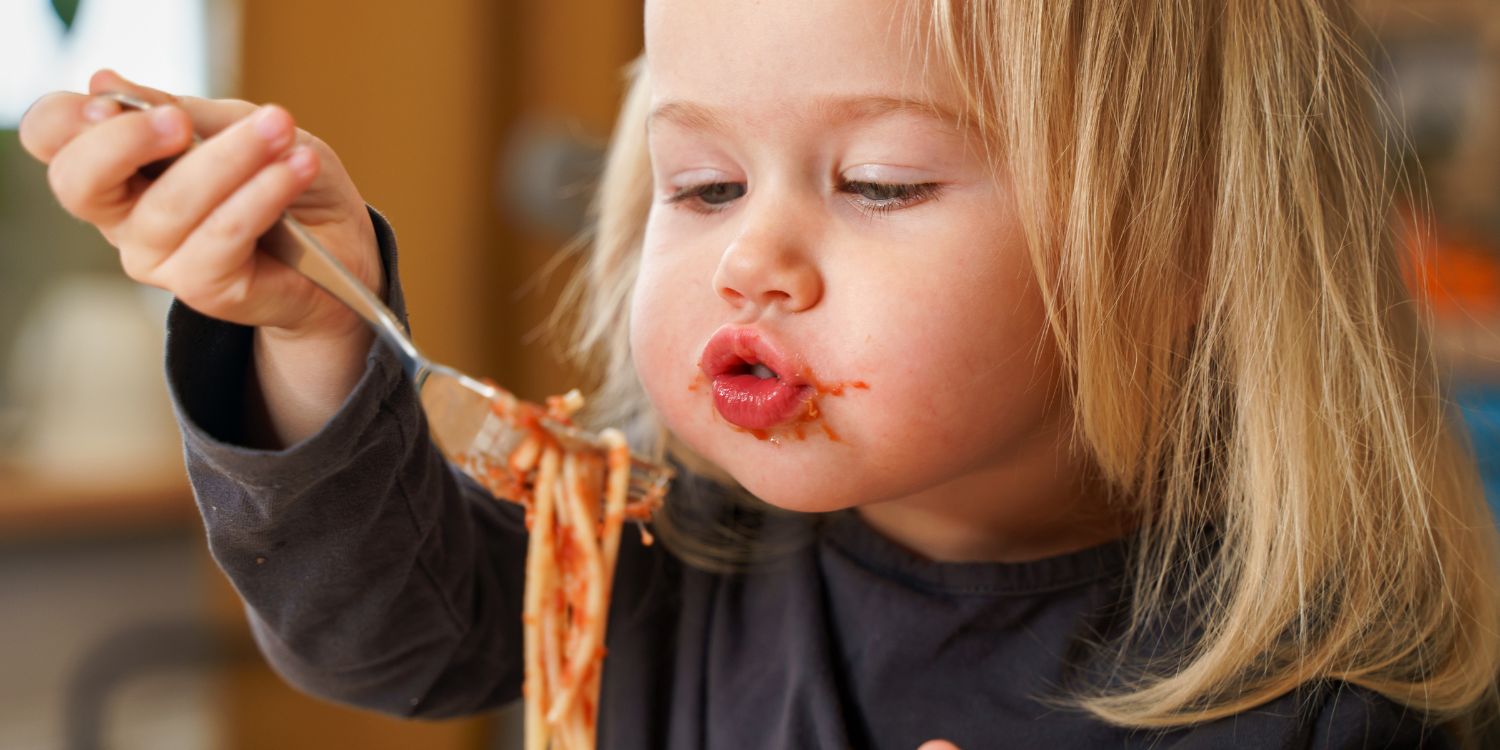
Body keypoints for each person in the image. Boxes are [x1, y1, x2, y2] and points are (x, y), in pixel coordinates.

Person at [19, 0, 1500, 747]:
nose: (752, 260)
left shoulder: (1323, 695)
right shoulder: (645, 556)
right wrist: (307, 324)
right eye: (706, 186)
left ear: (1185, 253)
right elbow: (382, 633)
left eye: (882, 181)